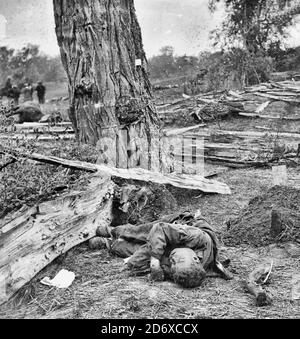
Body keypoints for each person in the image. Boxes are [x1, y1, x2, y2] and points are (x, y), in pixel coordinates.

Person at [96, 211, 233, 288]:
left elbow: (157, 264)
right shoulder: (197, 237)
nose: (172, 259)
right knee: (140, 232)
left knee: (139, 251)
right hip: (179, 225)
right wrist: (155, 260)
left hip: (179, 246)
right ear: (195, 259)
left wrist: (145, 267)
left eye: (173, 263)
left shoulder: (184, 268)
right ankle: (113, 231)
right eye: (177, 260)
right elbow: (161, 229)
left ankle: (109, 244)